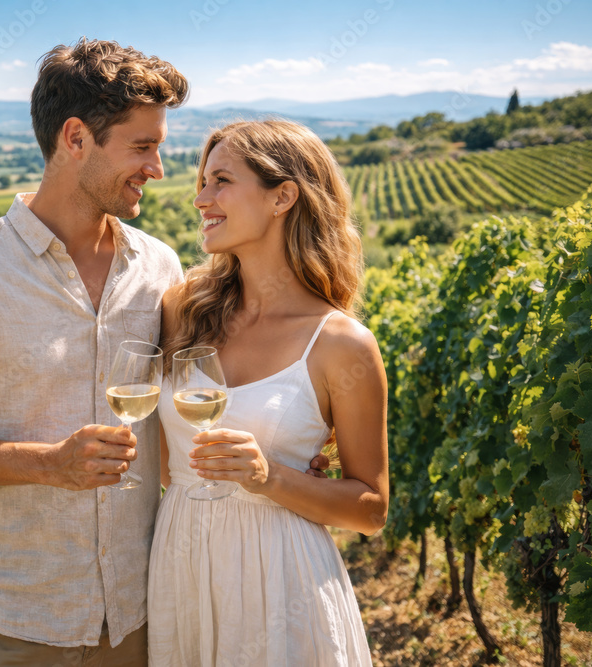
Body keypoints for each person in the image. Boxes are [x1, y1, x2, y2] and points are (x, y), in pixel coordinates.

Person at [0, 38, 189, 665]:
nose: (157, 168)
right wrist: (50, 464)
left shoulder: (159, 267)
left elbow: (184, 410)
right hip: (11, 623)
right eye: (142, 146)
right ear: (75, 138)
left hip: (137, 615)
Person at [148, 119, 389, 666]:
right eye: (203, 182)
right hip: (182, 566)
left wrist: (270, 477)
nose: (200, 199)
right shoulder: (181, 309)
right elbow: (167, 465)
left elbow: (371, 509)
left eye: (221, 181)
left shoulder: (341, 344)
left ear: (282, 197)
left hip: (284, 580)